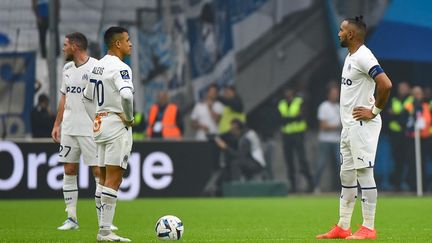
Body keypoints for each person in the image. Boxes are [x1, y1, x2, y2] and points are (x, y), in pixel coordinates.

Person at [317, 16, 392, 240]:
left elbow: (385, 83)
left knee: (364, 173)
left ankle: (368, 228)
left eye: (341, 30)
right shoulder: (350, 56)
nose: (339, 33)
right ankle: (343, 226)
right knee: (347, 175)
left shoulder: (364, 56)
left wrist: (374, 111)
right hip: (349, 127)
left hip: (363, 125)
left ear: (351, 34)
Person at [51, 32, 118, 231]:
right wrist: (57, 124)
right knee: (69, 170)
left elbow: (106, 95)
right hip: (70, 129)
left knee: (98, 172)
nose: (63, 48)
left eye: (65, 45)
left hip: (91, 129)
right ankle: (71, 218)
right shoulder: (67, 69)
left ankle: (103, 220)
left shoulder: (96, 67)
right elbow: (64, 97)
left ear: (75, 46)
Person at [83, 26, 133, 242]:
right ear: (118, 44)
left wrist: (96, 116)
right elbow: (127, 96)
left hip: (100, 124)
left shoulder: (97, 66)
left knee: (102, 179)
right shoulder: (121, 68)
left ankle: (103, 227)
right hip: (115, 126)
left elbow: (86, 97)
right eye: (128, 40)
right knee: (114, 179)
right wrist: (128, 117)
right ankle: (105, 231)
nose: (131, 44)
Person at [278, 85, 313, 192]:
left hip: (298, 134)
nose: (287, 93)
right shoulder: (282, 104)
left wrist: (288, 119)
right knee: (289, 161)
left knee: (302, 160)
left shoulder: (299, 101)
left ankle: (310, 184)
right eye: (286, 91)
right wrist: (293, 118)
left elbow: (301, 116)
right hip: (286, 135)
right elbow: (280, 119)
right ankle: (293, 186)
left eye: (289, 90)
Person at [313, 83, 342, 192]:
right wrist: (338, 127)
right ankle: (316, 186)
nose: (336, 95)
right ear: (328, 94)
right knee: (321, 164)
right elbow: (323, 126)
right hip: (325, 140)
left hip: (337, 140)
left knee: (341, 165)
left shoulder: (339, 107)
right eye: (333, 93)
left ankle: (343, 188)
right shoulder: (323, 106)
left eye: (337, 93)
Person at [403, 86, 431, 192]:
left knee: (423, 163)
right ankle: (412, 187)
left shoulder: (427, 106)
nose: (417, 96)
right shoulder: (408, 106)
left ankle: (424, 187)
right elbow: (404, 121)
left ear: (422, 95)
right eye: (414, 93)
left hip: (425, 139)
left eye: (419, 93)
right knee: (411, 163)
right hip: (411, 139)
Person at [386, 82, 412, 190]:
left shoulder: (411, 100)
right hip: (395, 135)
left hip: (408, 135)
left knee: (409, 160)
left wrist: (396, 114)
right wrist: (400, 115)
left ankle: (410, 183)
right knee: (396, 160)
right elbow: (387, 115)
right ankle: (396, 185)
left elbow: (407, 115)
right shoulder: (393, 100)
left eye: (405, 88)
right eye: (401, 88)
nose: (402, 90)